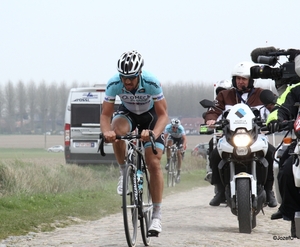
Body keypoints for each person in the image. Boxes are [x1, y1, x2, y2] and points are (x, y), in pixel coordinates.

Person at [100, 50, 169, 235]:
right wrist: (106, 132)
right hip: (128, 114)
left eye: (131, 78)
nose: (127, 82)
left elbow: (163, 115)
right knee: (116, 131)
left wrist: (153, 134)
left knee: (153, 162)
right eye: (124, 77)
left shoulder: (152, 82)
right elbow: (105, 114)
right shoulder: (114, 83)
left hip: (151, 117)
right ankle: (124, 172)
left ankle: (156, 216)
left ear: (139, 74)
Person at [204, 61, 277, 207]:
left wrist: (275, 119)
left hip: (257, 135)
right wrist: (211, 120)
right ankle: (219, 190)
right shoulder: (225, 95)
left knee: (271, 153)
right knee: (214, 154)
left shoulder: (261, 94)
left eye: (243, 78)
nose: (240, 81)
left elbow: (275, 108)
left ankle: (269, 191)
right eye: (238, 78)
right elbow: (214, 111)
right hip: (230, 136)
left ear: (250, 80)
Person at [266, 50, 300, 237]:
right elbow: (280, 107)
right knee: (286, 167)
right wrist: (275, 120)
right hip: (299, 139)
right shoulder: (295, 89)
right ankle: (290, 210)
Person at [164, 118, 187, 183]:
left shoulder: (181, 128)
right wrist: (164, 145)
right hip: (173, 137)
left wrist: (183, 146)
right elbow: (164, 137)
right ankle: (168, 162)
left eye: (176, 127)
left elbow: (185, 139)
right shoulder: (168, 127)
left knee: (179, 153)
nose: (175, 129)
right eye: (173, 127)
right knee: (169, 144)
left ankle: (178, 173)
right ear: (171, 125)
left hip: (180, 139)